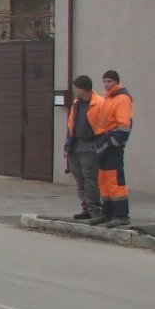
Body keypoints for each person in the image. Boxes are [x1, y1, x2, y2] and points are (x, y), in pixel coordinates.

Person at [94, 69, 134, 227]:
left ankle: (122, 215)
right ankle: (107, 213)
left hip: (111, 145)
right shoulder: (108, 98)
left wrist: (110, 142)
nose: (106, 84)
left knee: (115, 181)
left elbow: (124, 126)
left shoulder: (122, 99)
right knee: (104, 180)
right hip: (104, 143)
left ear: (117, 82)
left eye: (109, 81)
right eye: (104, 81)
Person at [64, 75, 104, 221]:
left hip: (90, 144)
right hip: (76, 145)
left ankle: (95, 210)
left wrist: (99, 145)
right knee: (79, 179)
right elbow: (70, 126)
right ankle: (85, 208)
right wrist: (67, 146)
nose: (74, 90)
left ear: (83, 88)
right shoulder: (76, 104)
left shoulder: (99, 103)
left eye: (76, 87)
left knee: (90, 179)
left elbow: (104, 126)